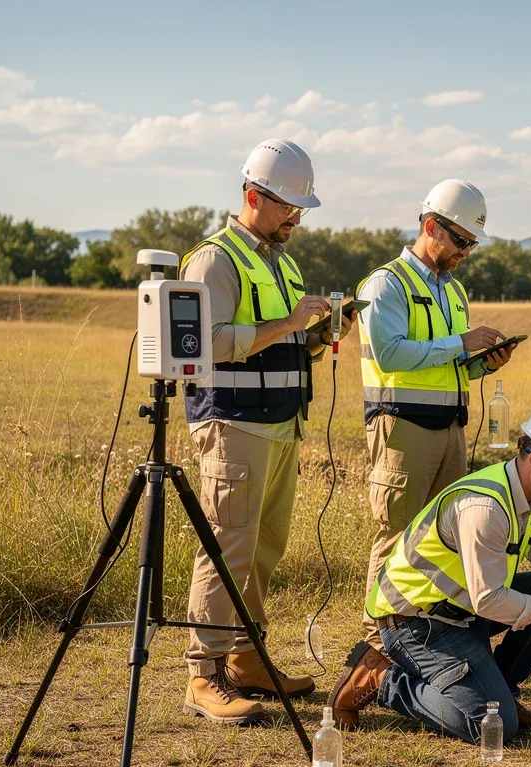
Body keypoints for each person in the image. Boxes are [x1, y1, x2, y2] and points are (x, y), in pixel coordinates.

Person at [327, 402, 531, 738]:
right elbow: (489, 600)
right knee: (491, 728)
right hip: (416, 623)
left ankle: (502, 694)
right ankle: (382, 679)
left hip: (461, 612)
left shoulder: (529, 497)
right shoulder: (485, 508)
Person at [181, 138, 357, 724]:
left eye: (301, 210)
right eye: (290, 208)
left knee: (261, 549)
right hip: (233, 426)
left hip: (280, 426)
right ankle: (203, 675)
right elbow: (209, 343)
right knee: (227, 546)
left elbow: (278, 342)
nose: (296, 220)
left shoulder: (280, 261)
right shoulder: (214, 259)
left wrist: (319, 332)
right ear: (254, 196)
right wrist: (288, 321)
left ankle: (246, 660)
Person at [328, 180, 517, 715]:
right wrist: (462, 344)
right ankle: (373, 650)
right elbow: (390, 353)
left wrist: (483, 361)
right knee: (394, 535)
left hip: (449, 427)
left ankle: (425, 642)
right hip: (402, 428)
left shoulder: (452, 290)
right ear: (430, 225)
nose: (464, 253)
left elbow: (444, 361)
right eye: (460, 240)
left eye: (472, 245)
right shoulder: (385, 283)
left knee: (442, 538)